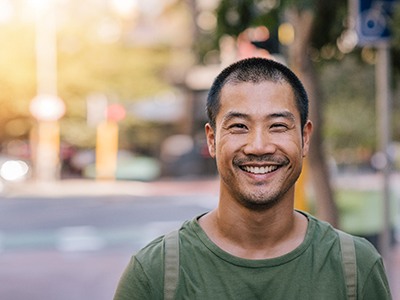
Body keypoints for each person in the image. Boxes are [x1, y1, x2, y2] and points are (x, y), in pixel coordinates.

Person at [114, 57, 392, 299]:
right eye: (238, 126)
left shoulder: (354, 267)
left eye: (278, 126)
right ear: (212, 140)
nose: (258, 146)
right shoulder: (156, 274)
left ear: (305, 138)